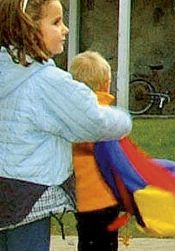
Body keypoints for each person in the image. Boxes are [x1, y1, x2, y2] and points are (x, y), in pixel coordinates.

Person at [0, 0, 133, 251]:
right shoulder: (44, 80)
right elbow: (92, 120)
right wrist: (123, 120)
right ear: (28, 30)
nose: (65, 29)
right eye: (56, 22)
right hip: (27, 187)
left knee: (3, 242)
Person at [68, 52, 126, 251]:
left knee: (87, 241)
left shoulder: (71, 118)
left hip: (81, 198)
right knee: (106, 243)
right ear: (107, 84)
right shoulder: (109, 120)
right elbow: (120, 162)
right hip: (107, 197)